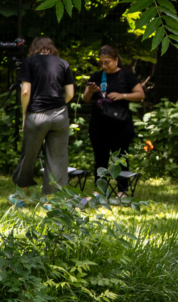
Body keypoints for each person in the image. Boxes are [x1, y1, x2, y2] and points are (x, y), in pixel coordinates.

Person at [12, 37, 74, 193]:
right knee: (58, 159)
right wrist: (58, 105)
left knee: (29, 155)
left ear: (34, 48)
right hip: (60, 115)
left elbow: (25, 91)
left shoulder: (29, 62)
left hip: (37, 114)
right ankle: (51, 199)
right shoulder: (63, 63)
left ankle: (21, 193)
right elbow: (70, 94)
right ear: (52, 48)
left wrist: (25, 113)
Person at [82, 45, 145, 192]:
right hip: (98, 125)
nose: (104, 66)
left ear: (116, 60)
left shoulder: (126, 76)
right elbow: (85, 99)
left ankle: (122, 191)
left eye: (107, 62)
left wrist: (122, 95)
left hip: (120, 125)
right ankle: (100, 190)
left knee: (121, 159)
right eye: (101, 62)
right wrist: (90, 92)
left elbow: (140, 95)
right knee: (100, 159)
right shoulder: (97, 76)